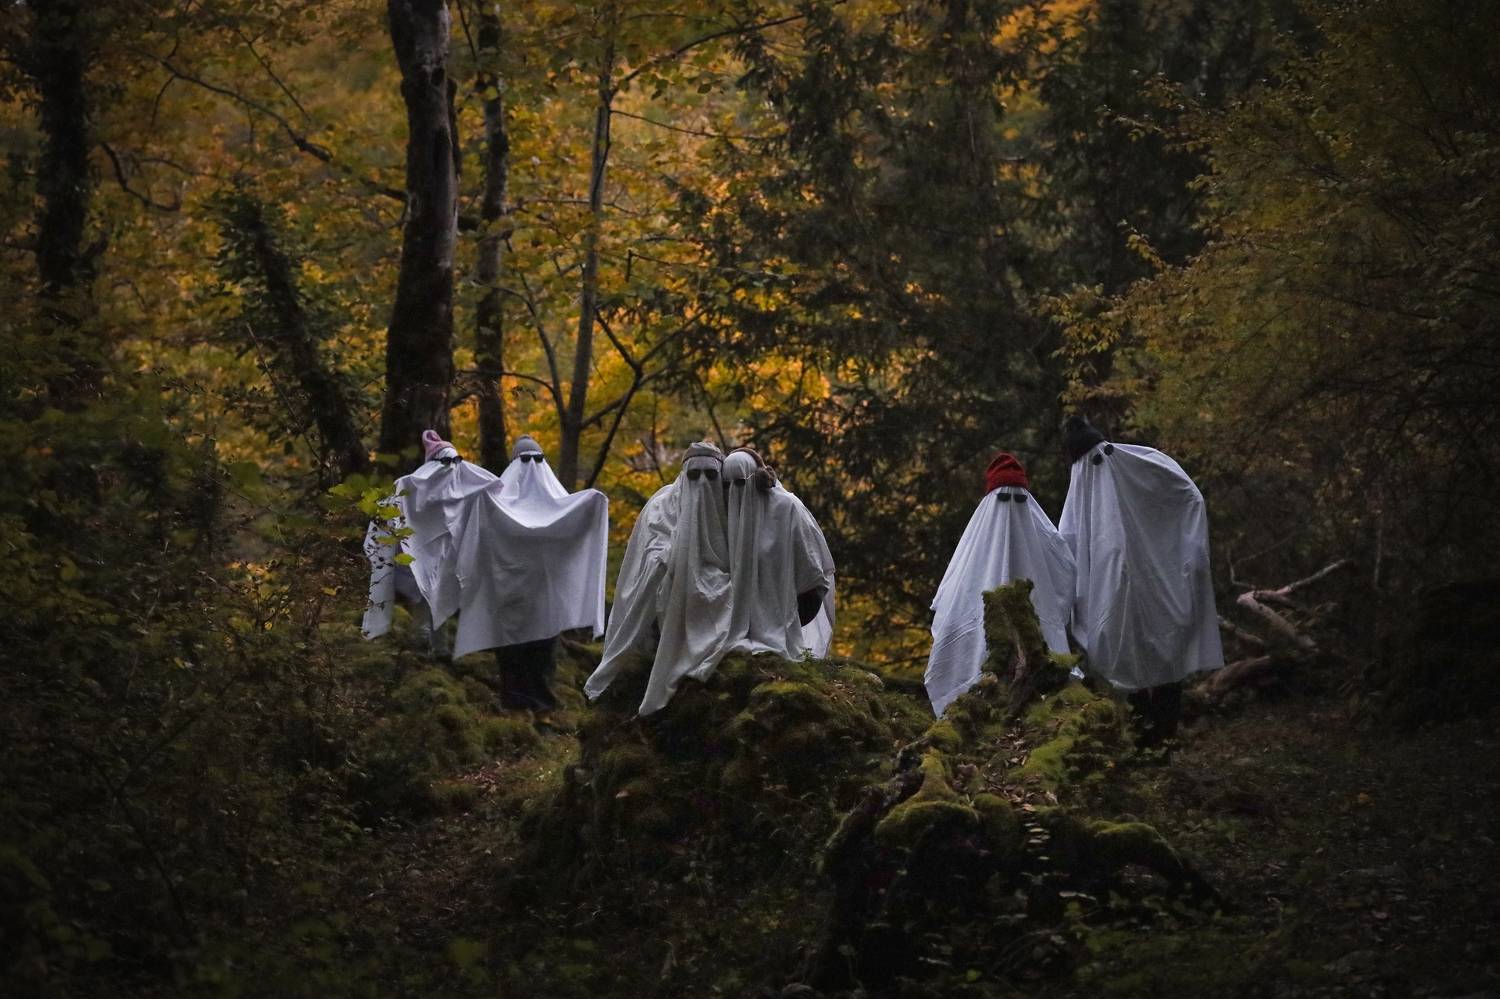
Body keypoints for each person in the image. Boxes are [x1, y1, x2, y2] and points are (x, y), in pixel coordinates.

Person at [1058, 416, 1224, 745]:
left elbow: (1187, 497)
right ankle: (1148, 743)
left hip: (1157, 588)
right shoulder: (1105, 474)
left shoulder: (1131, 464)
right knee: (1132, 668)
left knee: (1162, 666)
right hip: (1130, 596)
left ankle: (1159, 742)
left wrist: (1183, 554)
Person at [452, 435, 609, 710]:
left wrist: (592, 505)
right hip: (524, 599)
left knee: (532, 654)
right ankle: (524, 705)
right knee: (525, 654)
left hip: (523, 599)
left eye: (536, 460)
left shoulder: (507, 504)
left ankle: (533, 706)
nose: (531, 466)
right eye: (526, 460)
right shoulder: (499, 503)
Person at [584, 441, 733, 715]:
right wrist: (673, 557)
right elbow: (651, 550)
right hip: (670, 585)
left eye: (710, 474)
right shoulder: (662, 505)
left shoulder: (730, 505)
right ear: (683, 475)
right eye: (694, 474)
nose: (702, 482)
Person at [925, 452, 1076, 717]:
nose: (1010, 507)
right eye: (1004, 498)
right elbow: (955, 588)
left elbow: (1064, 571)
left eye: (1018, 498)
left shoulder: (1040, 534)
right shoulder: (979, 537)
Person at [362, 429, 499, 656]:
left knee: (441, 598)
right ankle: (421, 643)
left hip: (448, 558)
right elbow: (391, 508)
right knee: (425, 598)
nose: (451, 467)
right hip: (422, 557)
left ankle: (439, 647)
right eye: (446, 461)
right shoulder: (414, 487)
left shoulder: (461, 487)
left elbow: (491, 485)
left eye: (456, 461)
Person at [721, 447, 837, 661]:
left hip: (790, 611)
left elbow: (812, 573)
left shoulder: (787, 509)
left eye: (740, 484)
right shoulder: (724, 515)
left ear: (758, 480)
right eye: (728, 485)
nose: (735, 492)